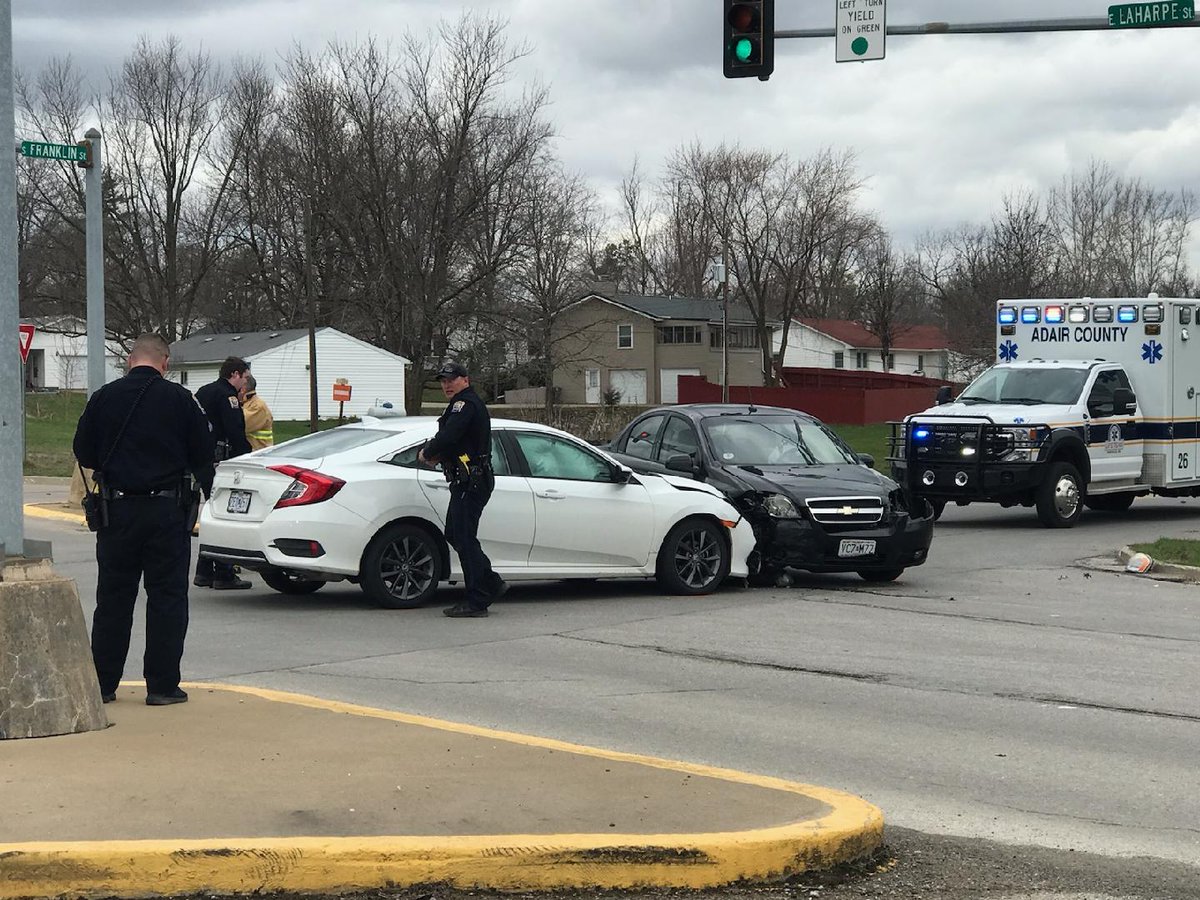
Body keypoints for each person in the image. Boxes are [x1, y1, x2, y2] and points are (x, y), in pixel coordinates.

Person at [72, 333, 215, 707]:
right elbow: (203, 453)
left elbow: (82, 450)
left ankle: (103, 683)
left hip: (116, 512)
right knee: (167, 598)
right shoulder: (181, 400)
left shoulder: (104, 398)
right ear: (164, 362)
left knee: (114, 598)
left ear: (130, 359)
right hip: (167, 512)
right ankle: (162, 686)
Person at [418, 361, 506, 618]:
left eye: (451, 380)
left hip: (472, 480)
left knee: (464, 538)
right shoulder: (461, 404)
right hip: (464, 480)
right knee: (455, 534)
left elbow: (450, 436)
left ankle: (477, 600)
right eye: (443, 381)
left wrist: (428, 452)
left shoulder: (465, 405)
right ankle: (490, 581)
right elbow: (458, 442)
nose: (446, 385)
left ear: (465, 380)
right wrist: (441, 455)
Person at [193, 356, 253, 590]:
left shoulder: (203, 391)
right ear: (235, 374)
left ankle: (205, 570)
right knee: (225, 515)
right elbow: (234, 430)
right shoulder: (228, 397)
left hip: (202, 460)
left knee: (211, 513)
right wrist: (248, 456)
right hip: (221, 461)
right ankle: (224, 573)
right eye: (245, 378)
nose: (245, 383)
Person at [240, 373, 274, 450]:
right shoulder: (246, 403)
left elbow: (239, 425)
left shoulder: (258, 406)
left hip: (258, 454)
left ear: (243, 389)